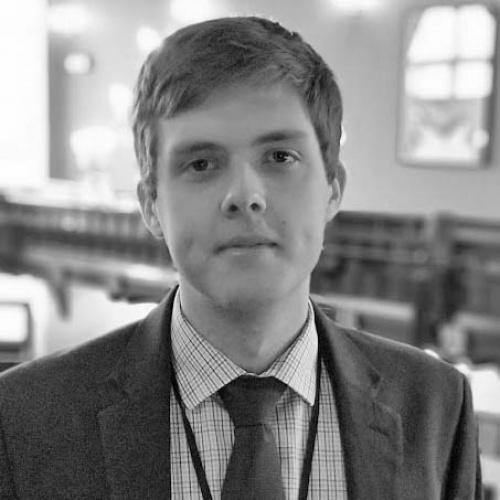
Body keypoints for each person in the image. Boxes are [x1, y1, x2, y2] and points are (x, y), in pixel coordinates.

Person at [0, 16, 481, 499]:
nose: (245, 195)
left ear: (333, 188)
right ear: (151, 205)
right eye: (201, 164)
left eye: (280, 157)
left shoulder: (436, 405)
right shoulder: (26, 420)